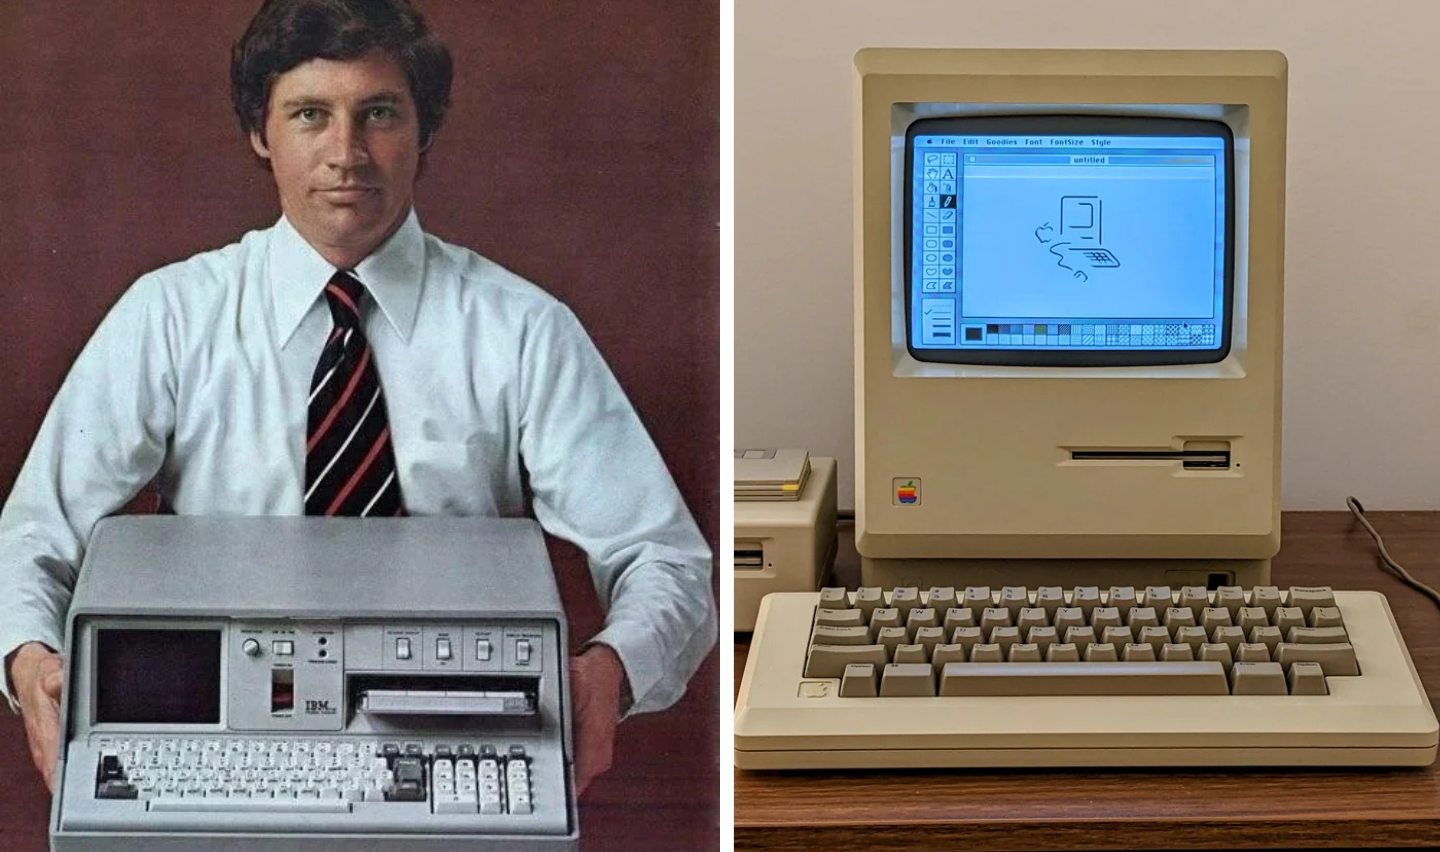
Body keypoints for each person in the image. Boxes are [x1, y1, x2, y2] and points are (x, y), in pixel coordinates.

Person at [0, 0, 715, 796]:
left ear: (424, 131)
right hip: (223, 745)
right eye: (310, 114)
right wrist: (28, 656)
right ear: (260, 133)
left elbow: (664, 556)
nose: (346, 153)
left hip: (454, 743)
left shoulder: (524, 331)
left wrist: (607, 670)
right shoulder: (167, 318)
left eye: (378, 113)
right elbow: (32, 532)